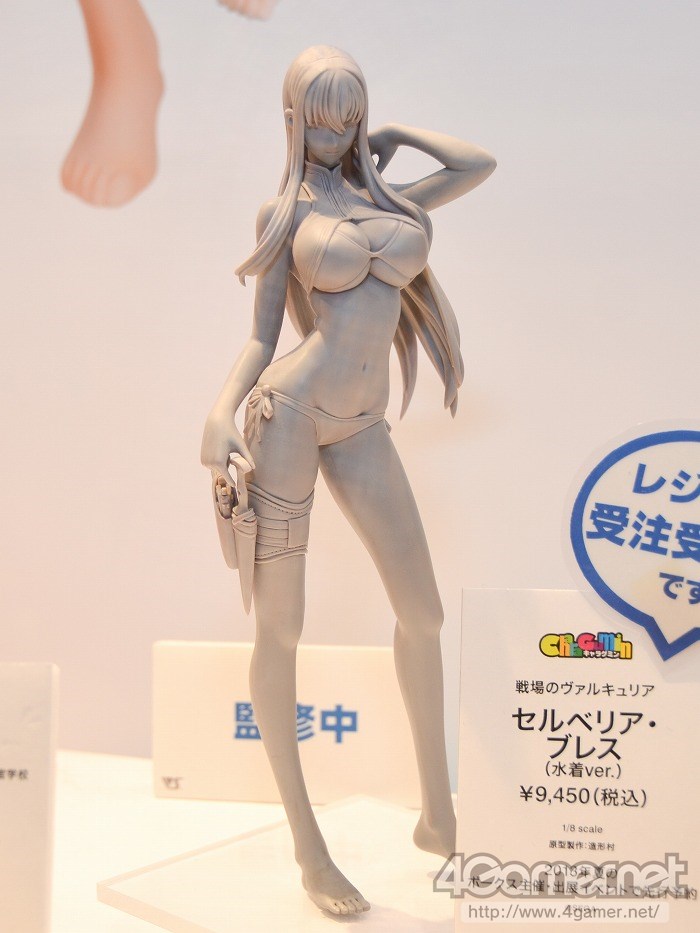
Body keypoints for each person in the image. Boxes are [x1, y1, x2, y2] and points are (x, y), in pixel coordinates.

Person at [201, 45, 496, 916]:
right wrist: (220, 411)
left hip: (363, 426)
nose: (335, 135)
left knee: (423, 612)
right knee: (281, 629)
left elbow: (476, 165)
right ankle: (309, 848)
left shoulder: (389, 198)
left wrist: (393, 134)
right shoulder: (284, 213)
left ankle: (437, 816)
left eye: (349, 119)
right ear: (293, 120)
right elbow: (262, 337)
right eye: (320, 121)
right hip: (289, 415)